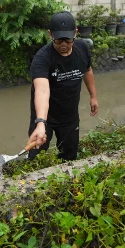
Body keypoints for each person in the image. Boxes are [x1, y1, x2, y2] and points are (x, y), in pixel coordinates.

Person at [27, 11, 98, 160]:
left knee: (69, 156)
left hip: (70, 115)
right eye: (59, 40)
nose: (64, 44)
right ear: (50, 34)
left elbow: (87, 70)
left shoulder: (83, 49)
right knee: (36, 157)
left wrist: (93, 96)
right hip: (45, 116)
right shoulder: (42, 58)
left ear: (75, 33)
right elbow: (42, 91)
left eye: (68, 39)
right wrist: (40, 123)